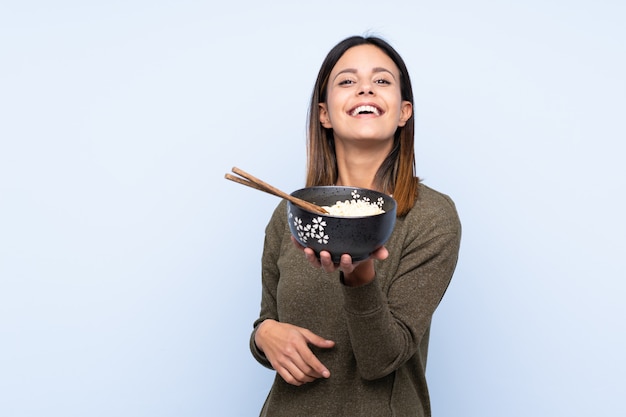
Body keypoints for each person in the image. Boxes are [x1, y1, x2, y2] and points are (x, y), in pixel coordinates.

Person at [249, 35, 462, 417]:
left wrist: (361, 276)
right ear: (324, 114)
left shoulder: (432, 216)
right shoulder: (293, 213)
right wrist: (263, 336)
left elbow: (382, 360)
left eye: (382, 81)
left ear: (403, 112)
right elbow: (268, 320)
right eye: (347, 81)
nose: (365, 87)